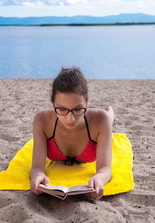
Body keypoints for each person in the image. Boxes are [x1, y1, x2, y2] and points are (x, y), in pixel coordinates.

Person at [30, 67, 115, 200]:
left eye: (78, 108)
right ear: (53, 103)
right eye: (62, 109)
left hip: (97, 120)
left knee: (108, 118)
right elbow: (36, 168)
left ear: (86, 101)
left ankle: (111, 113)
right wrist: (38, 176)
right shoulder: (42, 120)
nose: (71, 118)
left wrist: (99, 179)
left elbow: (105, 169)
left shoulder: (100, 120)